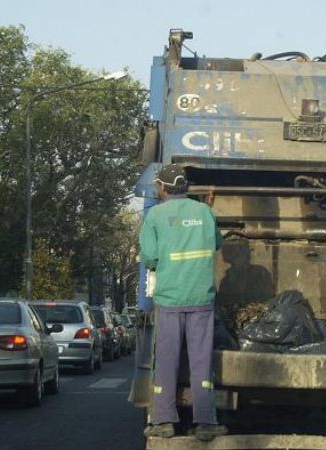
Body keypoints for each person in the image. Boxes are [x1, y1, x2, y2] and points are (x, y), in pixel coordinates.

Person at [139, 164, 228, 441]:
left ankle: (164, 421)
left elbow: (150, 258)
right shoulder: (205, 212)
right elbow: (216, 244)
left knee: (166, 361)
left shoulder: (155, 215)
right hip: (201, 298)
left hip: (170, 299)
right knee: (201, 362)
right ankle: (205, 422)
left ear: (162, 188)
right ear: (185, 187)